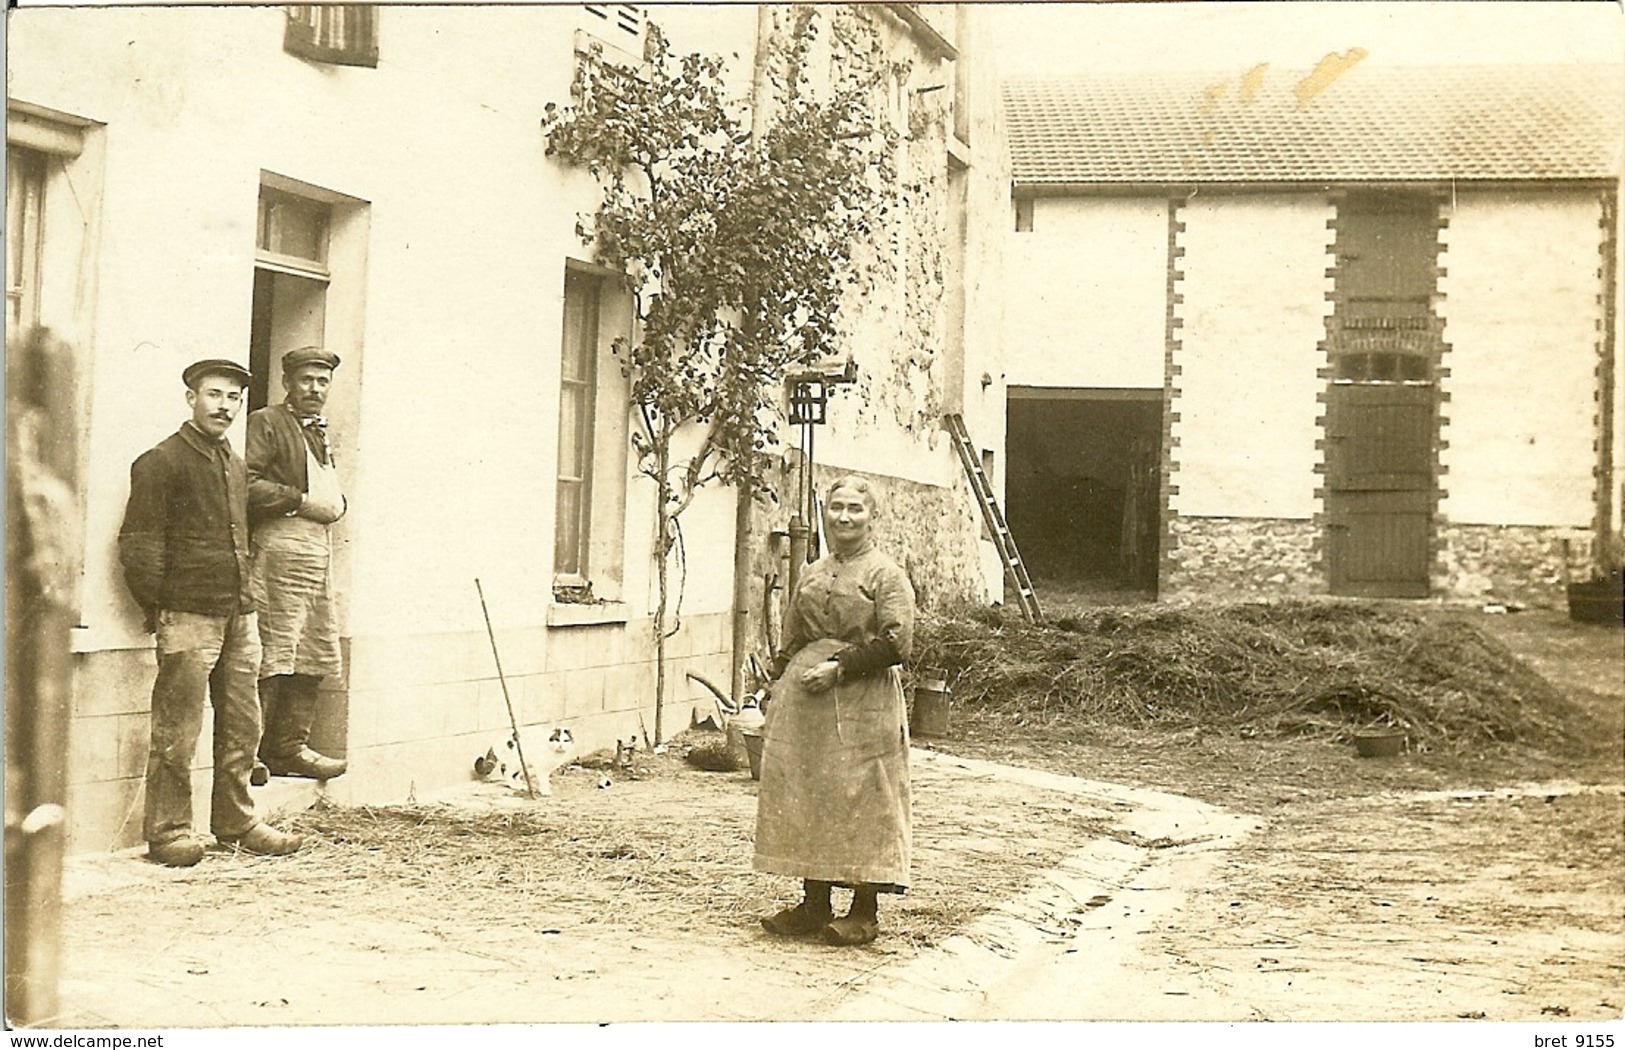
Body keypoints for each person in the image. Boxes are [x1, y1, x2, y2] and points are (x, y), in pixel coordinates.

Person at [118, 359, 304, 866]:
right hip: (187, 614)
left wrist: (245, 599)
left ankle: (237, 822)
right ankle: (170, 831)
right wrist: (159, 605)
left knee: (244, 724)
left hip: (239, 614)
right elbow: (139, 545)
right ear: (191, 399)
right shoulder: (161, 461)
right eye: (215, 395)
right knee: (178, 731)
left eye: (234, 399)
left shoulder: (234, 463)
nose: (224, 406)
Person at [754, 476, 917, 947]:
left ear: (871, 517)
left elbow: (896, 642)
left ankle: (864, 911)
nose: (844, 518)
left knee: (863, 797)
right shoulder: (812, 571)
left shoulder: (885, 575)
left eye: (855, 510)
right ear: (825, 513)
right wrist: (777, 681)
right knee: (810, 792)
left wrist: (840, 668)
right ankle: (814, 904)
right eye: (836, 508)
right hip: (808, 700)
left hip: (864, 699)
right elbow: (792, 634)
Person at [245, 346, 348, 780]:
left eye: (322, 381)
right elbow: (246, 483)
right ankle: (250, 754)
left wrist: (337, 503)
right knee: (274, 652)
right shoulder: (266, 423)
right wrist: (301, 501)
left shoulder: (318, 431)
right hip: (277, 555)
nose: (315, 389)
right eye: (306, 380)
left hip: (315, 557)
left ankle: (290, 748)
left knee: (315, 649)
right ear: (287, 383)